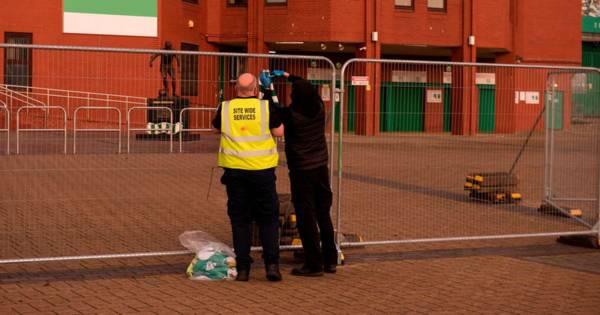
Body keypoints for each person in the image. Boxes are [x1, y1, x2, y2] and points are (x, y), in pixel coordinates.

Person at [261, 71, 338, 277]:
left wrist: (268, 88)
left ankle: (313, 264)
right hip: (321, 167)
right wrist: (287, 75)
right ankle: (330, 259)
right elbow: (306, 85)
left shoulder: (292, 116)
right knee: (323, 214)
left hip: (302, 170)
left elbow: (274, 113)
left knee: (306, 216)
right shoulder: (319, 108)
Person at [212, 73, 284, 282]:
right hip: (262, 172)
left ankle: (243, 268)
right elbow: (279, 132)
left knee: (240, 220)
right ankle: (272, 266)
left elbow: (216, 128)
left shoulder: (225, 107)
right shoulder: (265, 107)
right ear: (255, 89)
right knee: (269, 219)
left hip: (235, 173)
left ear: (236, 88)